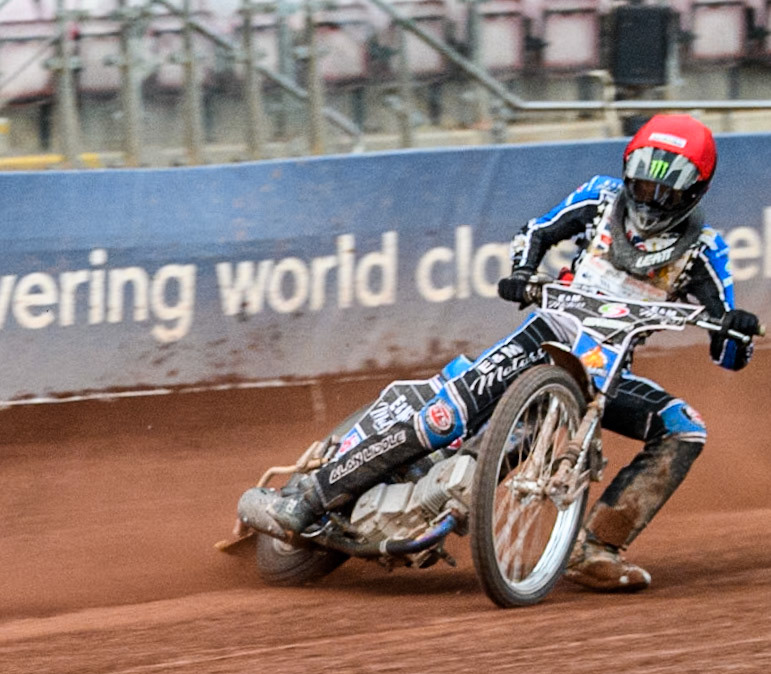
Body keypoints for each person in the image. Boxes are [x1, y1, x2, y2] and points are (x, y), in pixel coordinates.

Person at [252, 113, 759, 591]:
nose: (649, 196)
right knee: (448, 414)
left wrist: (733, 331)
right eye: (643, 181)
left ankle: (596, 548)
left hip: (607, 366)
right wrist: (523, 272)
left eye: (664, 189)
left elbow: (729, 353)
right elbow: (538, 231)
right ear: (627, 169)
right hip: (548, 332)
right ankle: (308, 497)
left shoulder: (704, 251)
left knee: (684, 426)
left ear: (693, 190)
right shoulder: (601, 198)